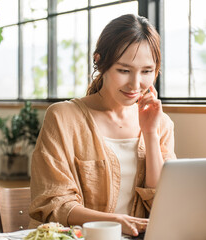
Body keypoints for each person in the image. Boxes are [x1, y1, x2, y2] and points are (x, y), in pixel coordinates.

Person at [28, 14, 176, 237]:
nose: (135, 84)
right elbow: (54, 203)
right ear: (99, 61)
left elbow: (163, 202)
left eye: (146, 71)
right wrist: (114, 221)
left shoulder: (160, 122)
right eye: (124, 70)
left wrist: (150, 133)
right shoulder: (63, 117)